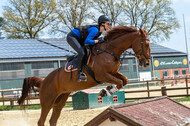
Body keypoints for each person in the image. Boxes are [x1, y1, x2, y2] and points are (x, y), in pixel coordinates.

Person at [66, 15, 111, 82]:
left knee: (87, 51)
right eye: (107, 24)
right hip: (72, 37)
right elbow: (87, 41)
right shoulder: (95, 30)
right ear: (102, 24)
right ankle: (79, 74)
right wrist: (98, 41)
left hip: (80, 39)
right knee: (82, 52)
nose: (109, 26)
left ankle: (72, 57)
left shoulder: (100, 32)